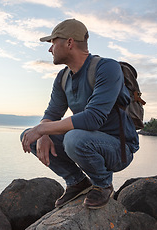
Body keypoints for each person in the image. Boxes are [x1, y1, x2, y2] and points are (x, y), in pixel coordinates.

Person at [21, 19, 139, 209]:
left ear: (69, 42)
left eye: (52, 43)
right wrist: (42, 132)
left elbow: (93, 118)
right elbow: (52, 112)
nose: (49, 50)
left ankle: (103, 184)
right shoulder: (63, 77)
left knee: (74, 138)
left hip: (119, 148)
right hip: (86, 141)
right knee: (29, 135)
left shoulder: (107, 68)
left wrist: (43, 129)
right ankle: (77, 182)